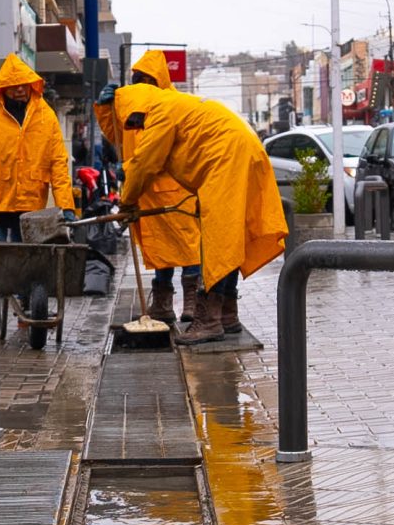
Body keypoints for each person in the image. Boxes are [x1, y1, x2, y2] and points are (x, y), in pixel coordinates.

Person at [109, 80, 286, 345]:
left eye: (134, 119)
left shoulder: (160, 112)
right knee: (228, 236)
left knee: (218, 241)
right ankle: (227, 314)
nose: (137, 126)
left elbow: (145, 164)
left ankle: (209, 321)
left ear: (138, 104)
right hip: (243, 148)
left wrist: (127, 201)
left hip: (227, 156)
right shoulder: (174, 105)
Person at [93, 49, 201, 325]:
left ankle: (192, 302)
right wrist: (106, 107)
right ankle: (163, 304)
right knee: (160, 251)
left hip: (176, 191)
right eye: (138, 77)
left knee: (188, 247)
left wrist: (129, 170)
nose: (141, 82)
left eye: (146, 78)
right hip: (145, 191)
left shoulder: (173, 105)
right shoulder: (131, 107)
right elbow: (115, 133)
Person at [0, 55, 73, 262]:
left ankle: (24, 295)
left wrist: (66, 206)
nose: (20, 90)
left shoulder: (46, 117)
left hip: (31, 207)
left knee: (27, 262)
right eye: (13, 86)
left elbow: (58, 164)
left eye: (24, 84)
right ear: (2, 88)